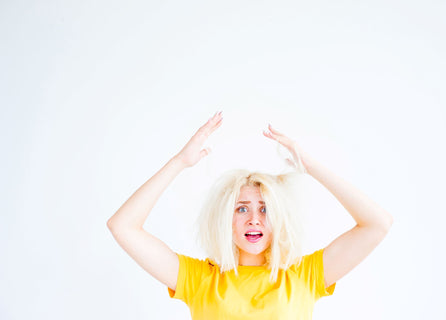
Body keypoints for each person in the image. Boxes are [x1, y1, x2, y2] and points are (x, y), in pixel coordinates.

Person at [107, 111, 394, 319]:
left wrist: (309, 165)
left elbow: (377, 224)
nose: (254, 219)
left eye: (265, 209)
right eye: (241, 208)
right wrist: (179, 162)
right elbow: (122, 226)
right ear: (225, 220)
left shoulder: (303, 276)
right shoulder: (200, 280)